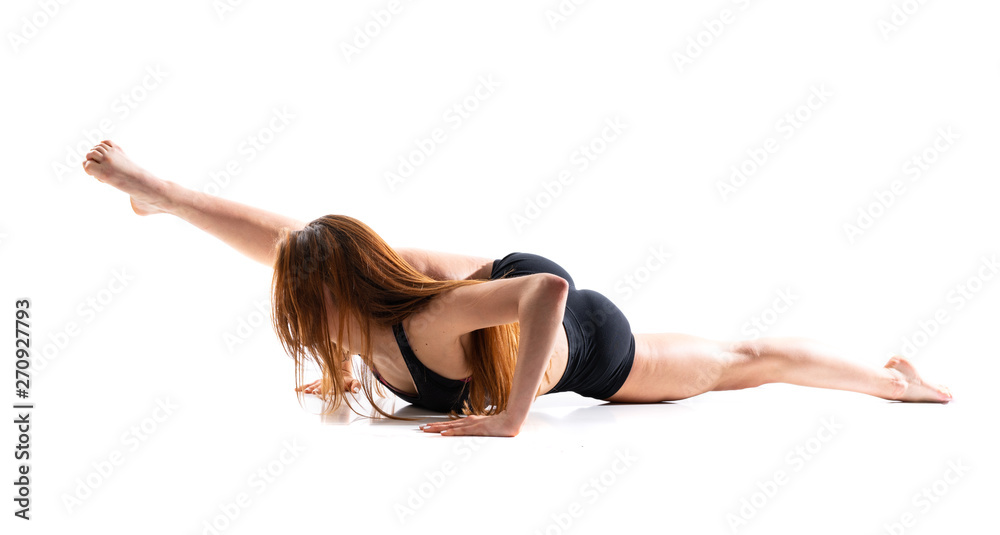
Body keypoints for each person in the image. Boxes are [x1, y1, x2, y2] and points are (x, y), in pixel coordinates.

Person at [81, 141, 953, 437]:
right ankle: (162, 195)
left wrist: (512, 413)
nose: (312, 328)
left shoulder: (428, 313)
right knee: (301, 244)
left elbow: (544, 290)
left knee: (740, 359)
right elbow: (285, 248)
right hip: (467, 289)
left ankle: (892, 377)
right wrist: (165, 190)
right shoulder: (345, 304)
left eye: (317, 320)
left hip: (574, 331)